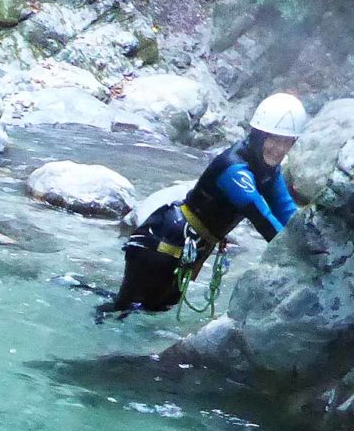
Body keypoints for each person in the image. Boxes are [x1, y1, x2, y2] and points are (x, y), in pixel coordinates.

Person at [103, 91, 310, 317]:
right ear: (259, 135)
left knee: (155, 310)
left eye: (286, 142)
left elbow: (285, 209)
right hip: (162, 241)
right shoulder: (234, 169)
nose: (279, 149)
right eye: (273, 140)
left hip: (188, 244)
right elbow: (261, 217)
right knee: (127, 311)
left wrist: (312, 241)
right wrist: (300, 257)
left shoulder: (267, 169)